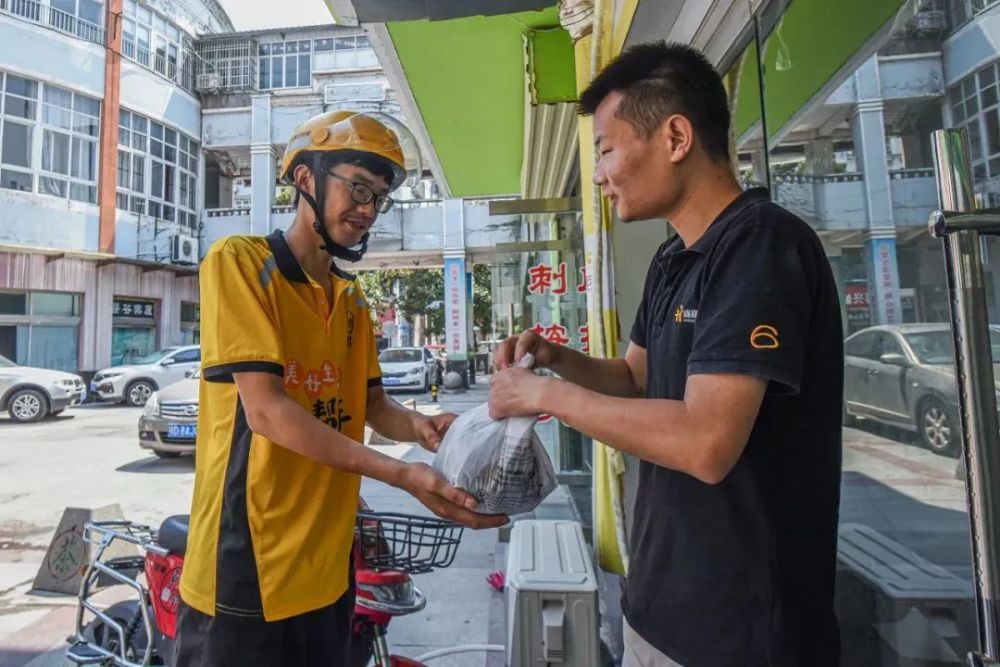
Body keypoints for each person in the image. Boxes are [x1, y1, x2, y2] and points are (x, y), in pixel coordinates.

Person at [489, 42, 843, 666]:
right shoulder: (674, 256)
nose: (597, 173)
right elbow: (633, 379)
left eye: (605, 149)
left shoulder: (759, 245)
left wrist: (544, 396)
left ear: (675, 136)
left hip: (742, 633)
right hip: (657, 608)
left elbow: (706, 442)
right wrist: (555, 358)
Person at [175, 110, 506, 665]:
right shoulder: (238, 264)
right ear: (305, 179)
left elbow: (372, 404)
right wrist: (401, 474)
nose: (368, 209)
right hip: (248, 570)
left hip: (329, 570)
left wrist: (424, 430)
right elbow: (269, 413)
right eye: (357, 187)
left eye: (378, 197)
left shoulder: (352, 301)